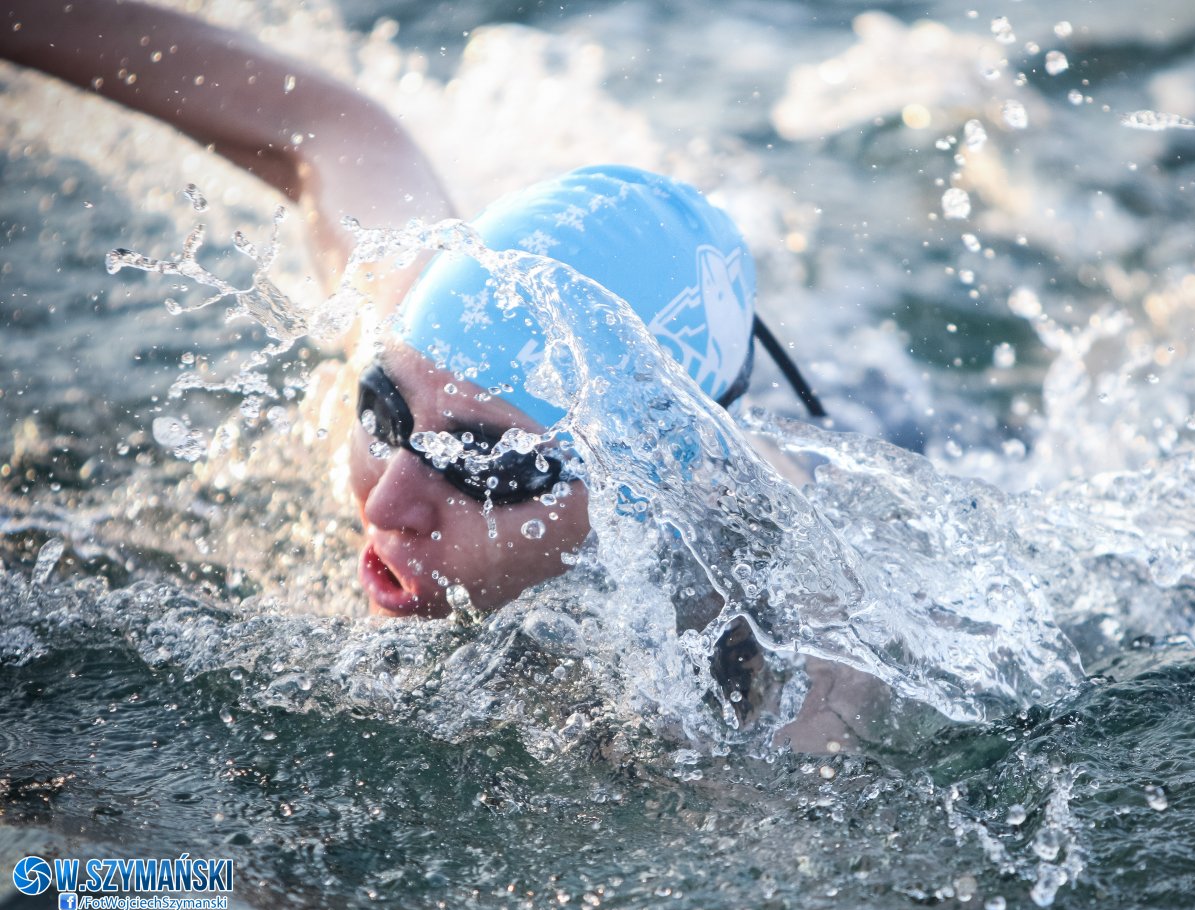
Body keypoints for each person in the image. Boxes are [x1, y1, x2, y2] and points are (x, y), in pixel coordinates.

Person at [1, 0, 881, 749]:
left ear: (648, 490)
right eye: (383, 414)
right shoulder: (416, 322)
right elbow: (327, 123)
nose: (387, 505)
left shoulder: (800, 641)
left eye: (485, 463)